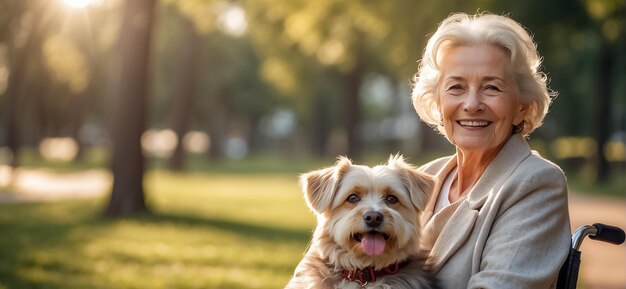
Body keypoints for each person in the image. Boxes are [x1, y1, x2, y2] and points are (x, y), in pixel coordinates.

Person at [411, 12, 571, 289]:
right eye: (456, 87)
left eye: (492, 87)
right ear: (438, 101)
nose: (472, 104)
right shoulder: (423, 178)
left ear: (522, 106)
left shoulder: (537, 184)